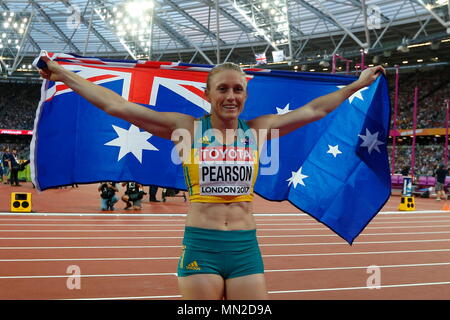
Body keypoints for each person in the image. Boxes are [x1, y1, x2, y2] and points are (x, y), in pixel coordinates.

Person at [37, 55, 384, 300]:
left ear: (246, 95)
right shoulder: (185, 128)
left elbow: (314, 110)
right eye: (222, 89)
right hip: (202, 246)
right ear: (208, 94)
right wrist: (64, 75)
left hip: (246, 247)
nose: (230, 96)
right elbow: (117, 106)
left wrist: (356, 84)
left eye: (237, 89)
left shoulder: (258, 130)